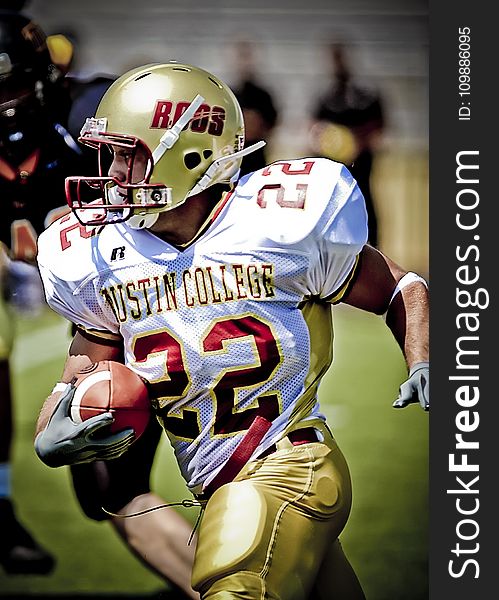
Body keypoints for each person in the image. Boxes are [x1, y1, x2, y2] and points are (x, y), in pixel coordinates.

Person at [33, 62, 429, 599]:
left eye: (129, 155)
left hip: (288, 465)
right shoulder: (100, 252)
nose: (112, 172)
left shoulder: (273, 223)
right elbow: (84, 362)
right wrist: (53, 426)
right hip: (216, 488)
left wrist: (423, 359)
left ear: (186, 154)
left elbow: (398, 287)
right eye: (110, 155)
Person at [0, 12, 198, 594]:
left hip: (171, 301)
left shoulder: (93, 115)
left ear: (41, 77)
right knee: (107, 488)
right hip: (106, 320)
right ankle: (216, 582)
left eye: (10, 87)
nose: (4, 106)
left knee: (214, 460)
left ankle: (242, 575)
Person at [309, 42, 385, 248]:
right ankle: (334, 249)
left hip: (361, 160)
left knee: (364, 200)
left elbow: (379, 126)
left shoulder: (365, 94)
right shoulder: (325, 95)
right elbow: (315, 127)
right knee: (333, 204)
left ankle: (373, 249)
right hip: (334, 164)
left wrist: (358, 143)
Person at [230, 40, 279, 177]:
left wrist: (256, 126)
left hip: (257, 155)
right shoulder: (231, 94)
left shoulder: (263, 95)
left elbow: (273, 123)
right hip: (235, 157)